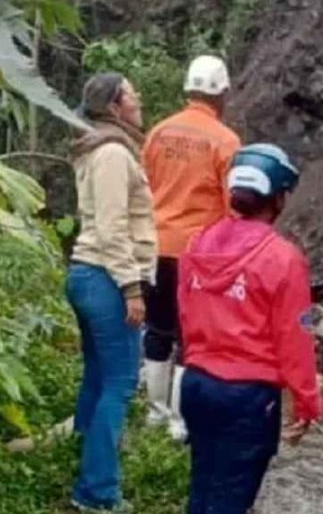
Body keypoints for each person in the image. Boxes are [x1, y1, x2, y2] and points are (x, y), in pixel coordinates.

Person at [177, 143, 323, 514]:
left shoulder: (198, 242)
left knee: (203, 487)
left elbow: (185, 314)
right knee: (231, 498)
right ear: (276, 197)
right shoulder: (283, 258)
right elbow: (295, 339)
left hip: (196, 386)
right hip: (246, 397)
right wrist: (306, 402)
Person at [66, 72, 155, 513]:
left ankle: (84, 458)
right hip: (105, 277)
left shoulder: (97, 146)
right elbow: (113, 228)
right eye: (135, 96)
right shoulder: (113, 153)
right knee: (120, 383)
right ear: (117, 106)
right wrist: (132, 287)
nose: (140, 103)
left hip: (89, 275)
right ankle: (97, 492)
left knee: (100, 376)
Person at [140, 55, 241, 440]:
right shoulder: (225, 141)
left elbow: (143, 187)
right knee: (191, 336)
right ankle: (180, 424)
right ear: (221, 93)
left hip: (155, 245)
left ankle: (155, 413)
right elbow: (234, 204)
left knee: (157, 329)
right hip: (199, 254)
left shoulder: (159, 133)